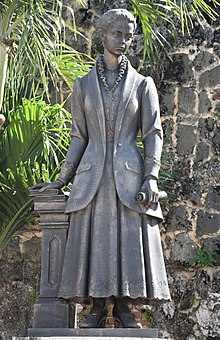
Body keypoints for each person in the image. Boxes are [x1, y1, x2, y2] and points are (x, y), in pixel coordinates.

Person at [31, 9, 170, 328]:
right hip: (92, 175)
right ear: (103, 35)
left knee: (125, 241)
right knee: (95, 239)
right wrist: (62, 178)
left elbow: (153, 133)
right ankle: (94, 308)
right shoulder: (82, 85)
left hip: (129, 175)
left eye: (128, 35)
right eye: (117, 33)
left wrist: (151, 177)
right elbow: (78, 136)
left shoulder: (143, 84)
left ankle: (123, 307)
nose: (123, 41)